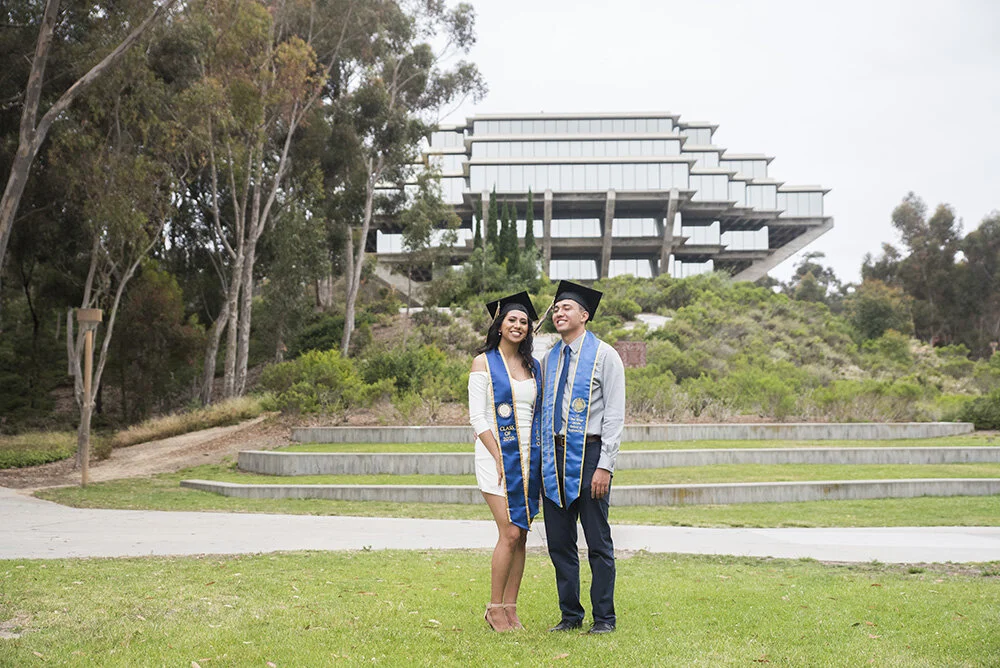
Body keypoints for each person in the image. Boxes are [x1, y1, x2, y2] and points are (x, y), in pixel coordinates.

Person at [540, 280, 625, 635]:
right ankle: (570, 615)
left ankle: (604, 618)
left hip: (590, 454)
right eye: (557, 308)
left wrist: (605, 464)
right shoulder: (549, 359)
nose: (559, 313)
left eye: (567, 308)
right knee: (560, 542)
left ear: (585, 315)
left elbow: (615, 415)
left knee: (597, 541)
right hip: (554, 455)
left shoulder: (605, 355)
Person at [467, 291, 543, 632]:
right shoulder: (483, 363)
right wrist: (498, 456)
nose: (518, 325)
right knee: (510, 532)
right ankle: (494, 608)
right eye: (512, 319)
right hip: (494, 456)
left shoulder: (533, 366)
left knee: (522, 534)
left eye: (524, 321)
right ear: (499, 325)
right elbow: (477, 417)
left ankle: (511, 608)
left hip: (529, 457)